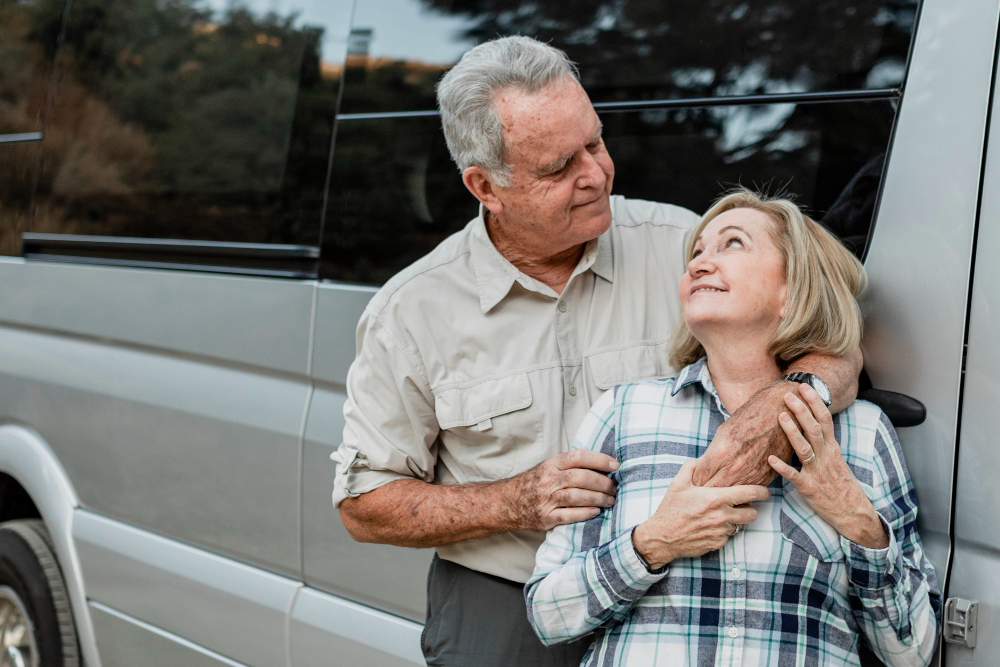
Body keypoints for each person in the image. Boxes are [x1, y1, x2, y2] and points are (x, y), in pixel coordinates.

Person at [332, 37, 862, 666]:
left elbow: (839, 351)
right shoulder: (410, 311)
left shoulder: (684, 247)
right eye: (559, 167)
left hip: (679, 596)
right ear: (486, 186)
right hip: (506, 600)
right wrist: (516, 500)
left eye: (596, 142)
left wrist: (780, 403)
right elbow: (366, 504)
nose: (596, 173)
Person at [525, 189, 941, 666]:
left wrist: (856, 519)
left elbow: (913, 654)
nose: (700, 264)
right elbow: (547, 614)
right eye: (696, 253)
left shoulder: (863, 433)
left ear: (794, 289)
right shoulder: (622, 413)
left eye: (734, 244)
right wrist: (653, 542)